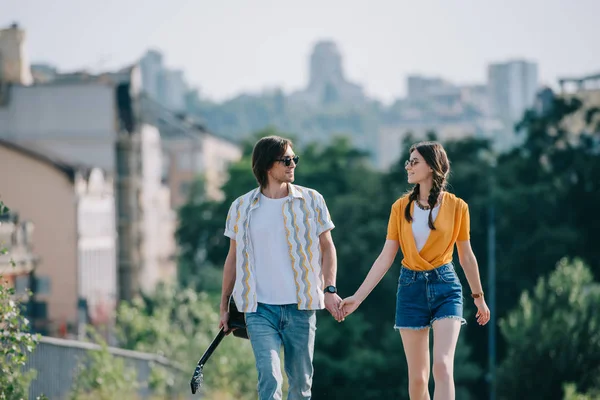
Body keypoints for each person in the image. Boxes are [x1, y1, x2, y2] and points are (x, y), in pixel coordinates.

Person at [339, 141, 490, 400]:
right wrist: (358, 297)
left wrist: (479, 298)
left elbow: (466, 256)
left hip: (446, 287)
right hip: (410, 288)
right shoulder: (400, 208)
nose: (408, 166)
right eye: (408, 161)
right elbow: (386, 256)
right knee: (418, 380)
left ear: (431, 167)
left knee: (442, 366)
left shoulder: (458, 207)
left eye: (414, 161)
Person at [219, 135, 343, 400]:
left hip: (302, 307)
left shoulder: (312, 201)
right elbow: (233, 259)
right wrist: (224, 306)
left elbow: (328, 248)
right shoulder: (240, 207)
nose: (293, 164)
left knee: (300, 386)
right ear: (267, 165)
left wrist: (329, 288)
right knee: (270, 381)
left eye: (294, 159)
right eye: (286, 160)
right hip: (259, 309)